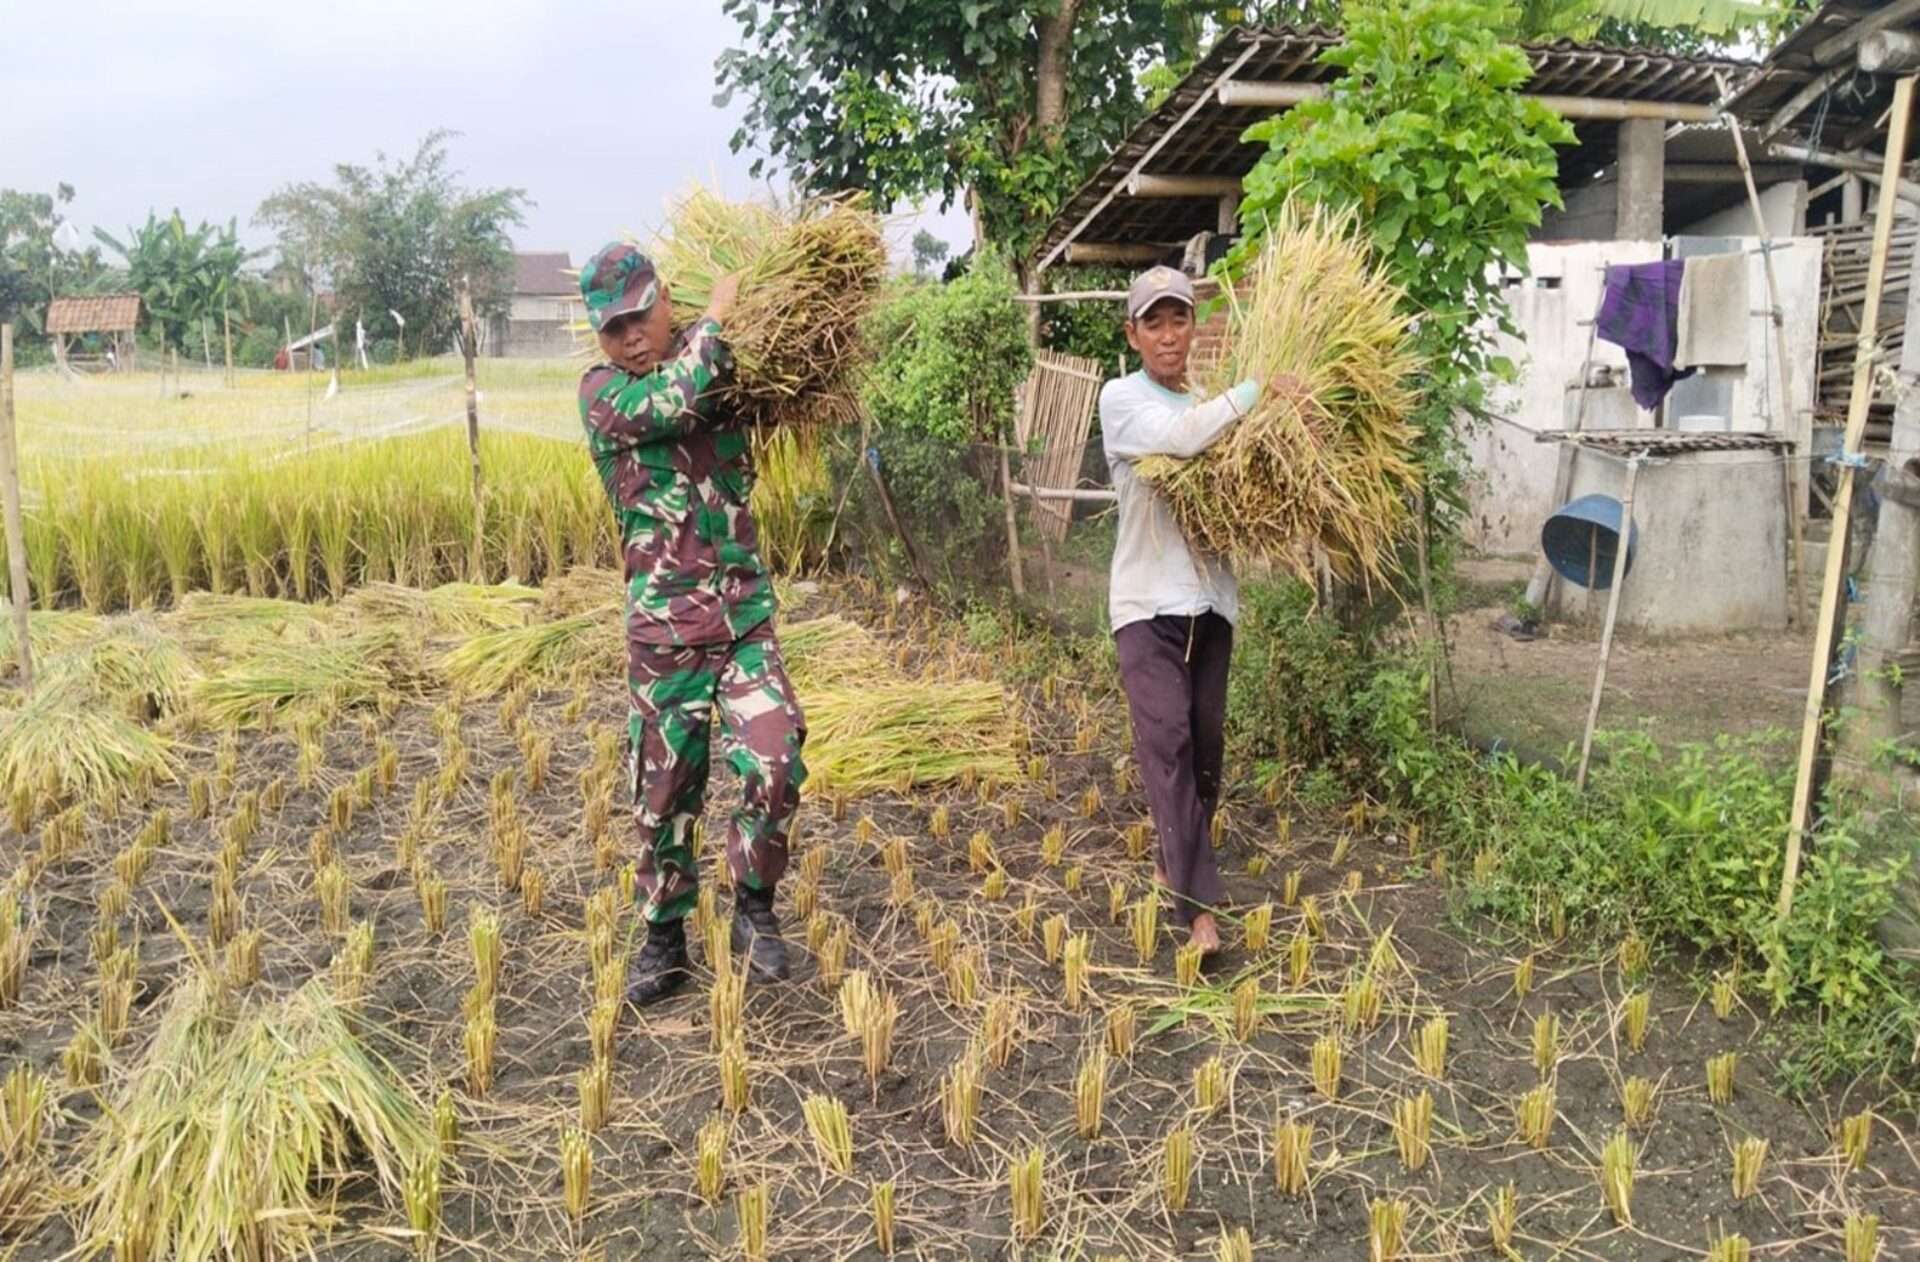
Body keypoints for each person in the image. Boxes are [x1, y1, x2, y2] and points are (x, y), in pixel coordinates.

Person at [576, 243, 808, 1006]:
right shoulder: (606, 394)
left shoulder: (721, 369)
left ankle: (754, 908)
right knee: (666, 790)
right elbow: (675, 398)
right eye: (615, 326)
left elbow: (765, 387)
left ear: (663, 298)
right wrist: (718, 314)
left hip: (744, 619)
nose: (633, 335)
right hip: (665, 635)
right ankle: (665, 935)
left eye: (643, 313)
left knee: (775, 762)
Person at [1098, 265, 1287, 956]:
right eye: (1155, 322)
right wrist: (1259, 389)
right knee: (1167, 741)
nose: (1170, 334)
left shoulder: (1215, 399)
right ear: (1134, 333)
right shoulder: (1124, 400)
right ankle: (1197, 911)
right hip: (1146, 605)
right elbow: (1185, 438)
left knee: (1205, 749)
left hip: (1211, 602)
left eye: (1180, 319)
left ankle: (1172, 861)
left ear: (1194, 326)